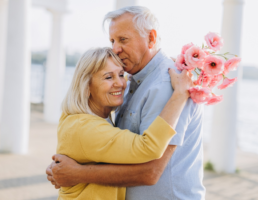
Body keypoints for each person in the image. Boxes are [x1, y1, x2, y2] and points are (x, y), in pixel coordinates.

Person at [47, 6, 205, 200]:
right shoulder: (131, 81)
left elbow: (151, 171)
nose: (115, 48)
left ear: (151, 38)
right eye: (112, 40)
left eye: (123, 40)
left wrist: (77, 173)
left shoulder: (167, 85)